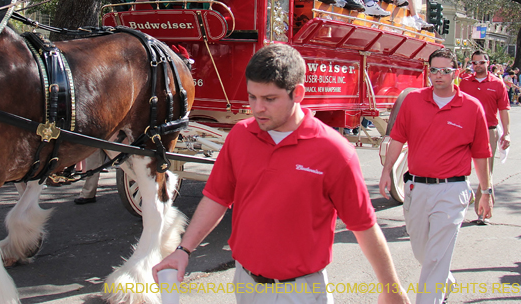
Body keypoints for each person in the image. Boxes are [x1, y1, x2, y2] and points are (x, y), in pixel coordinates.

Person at [153, 44, 411, 304]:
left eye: (270, 99)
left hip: (301, 292)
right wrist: (184, 250)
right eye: (252, 96)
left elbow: (363, 225)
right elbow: (217, 198)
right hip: (245, 285)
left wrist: (391, 288)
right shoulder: (240, 136)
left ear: (297, 93)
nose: (258, 108)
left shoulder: (334, 151)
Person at [379, 48, 493, 304]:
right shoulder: (413, 100)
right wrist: (387, 170)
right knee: (424, 252)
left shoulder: (472, 107)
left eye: (445, 70)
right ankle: (445, 280)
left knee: (435, 256)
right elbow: (397, 139)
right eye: (434, 70)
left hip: (452, 191)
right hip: (416, 188)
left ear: (456, 72)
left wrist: (486, 192)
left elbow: (481, 154)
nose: (439, 75)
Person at [458, 50, 511, 224]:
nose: (478, 65)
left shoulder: (498, 84)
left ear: (488, 63)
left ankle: (482, 212)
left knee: (486, 172)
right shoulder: (464, 83)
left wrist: (507, 133)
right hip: (465, 130)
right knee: (458, 167)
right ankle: (460, 202)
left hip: (489, 131)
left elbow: (504, 109)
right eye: (475, 63)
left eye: (481, 62)